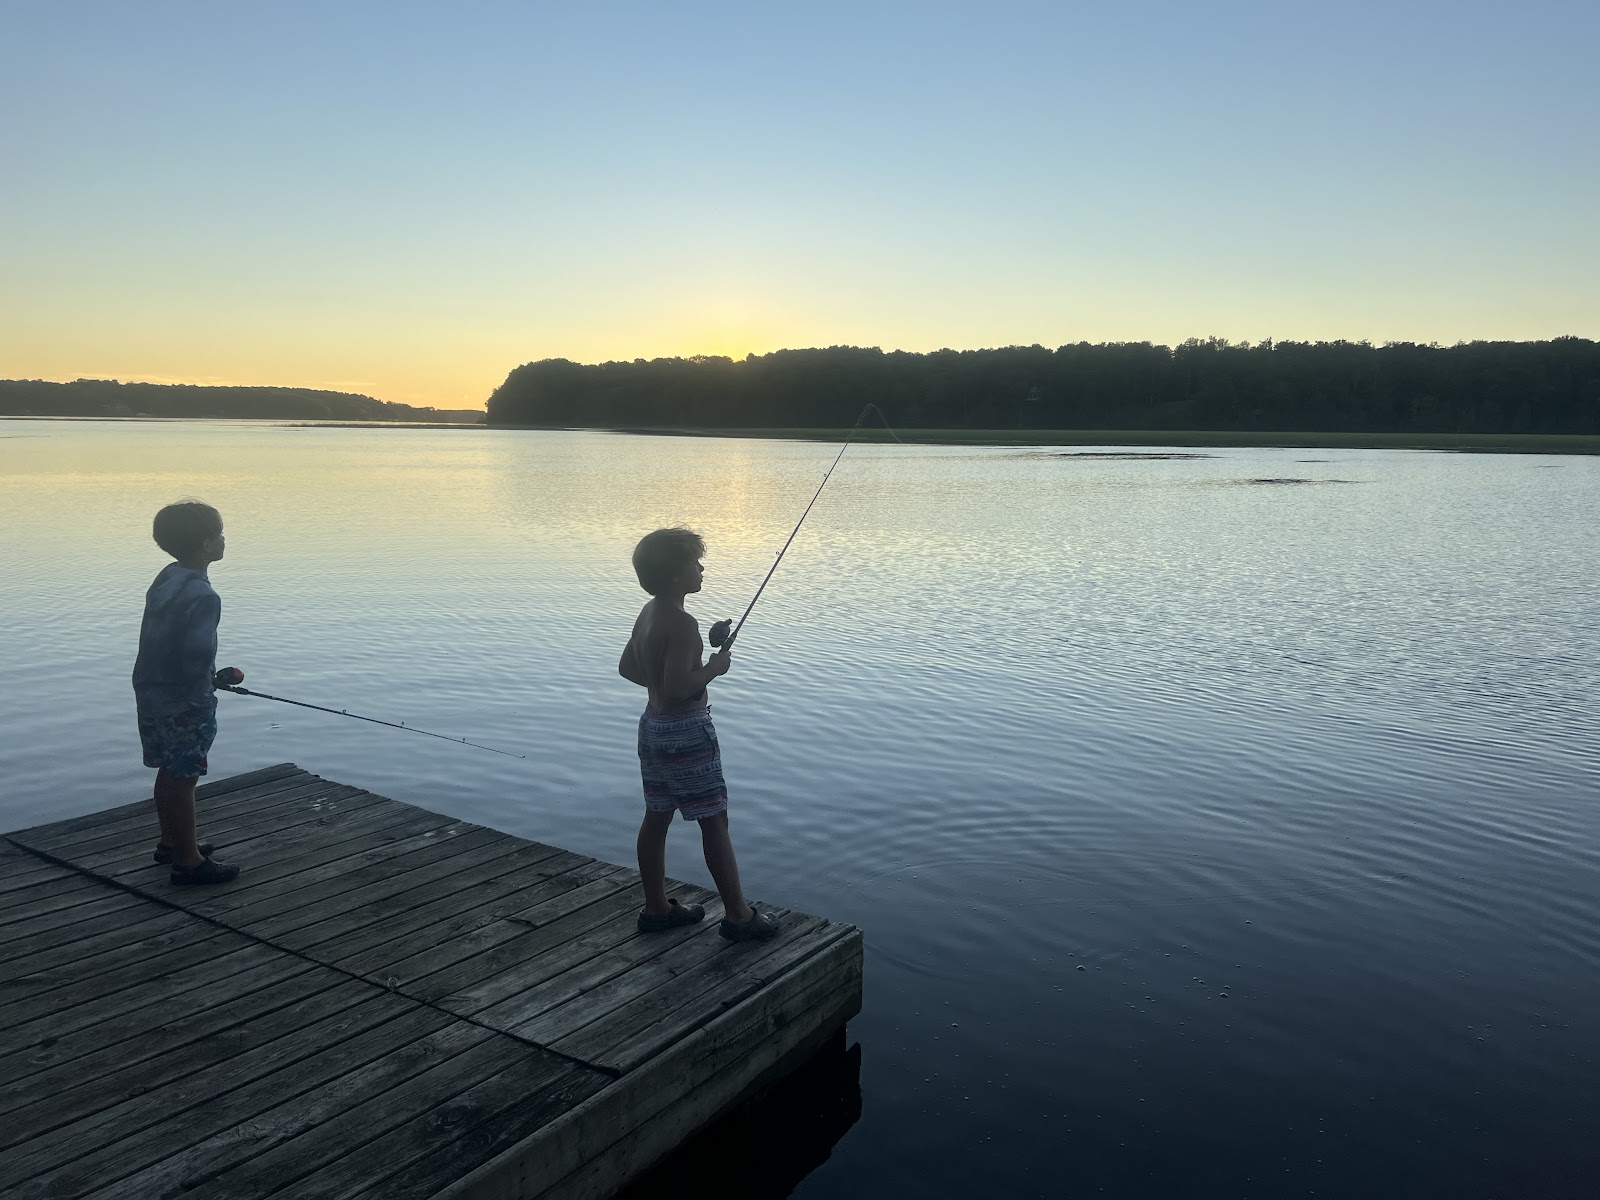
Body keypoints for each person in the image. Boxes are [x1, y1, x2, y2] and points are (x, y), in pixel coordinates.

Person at [619, 527, 779, 941]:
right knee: (714, 820)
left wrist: (674, 669)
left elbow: (630, 669)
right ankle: (739, 917)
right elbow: (677, 689)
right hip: (686, 733)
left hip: (652, 728)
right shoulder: (683, 623)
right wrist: (713, 668)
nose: (701, 567)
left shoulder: (649, 612)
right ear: (676, 575)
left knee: (657, 816)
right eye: (694, 562)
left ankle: (656, 908)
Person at [133, 501, 243, 885]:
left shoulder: (167, 577)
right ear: (205, 545)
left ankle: (171, 843)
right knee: (184, 779)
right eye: (219, 534)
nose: (224, 540)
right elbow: (194, 658)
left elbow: (167, 644)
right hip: (185, 703)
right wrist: (217, 679)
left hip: (150, 692)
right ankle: (188, 862)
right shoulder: (205, 596)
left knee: (169, 770)